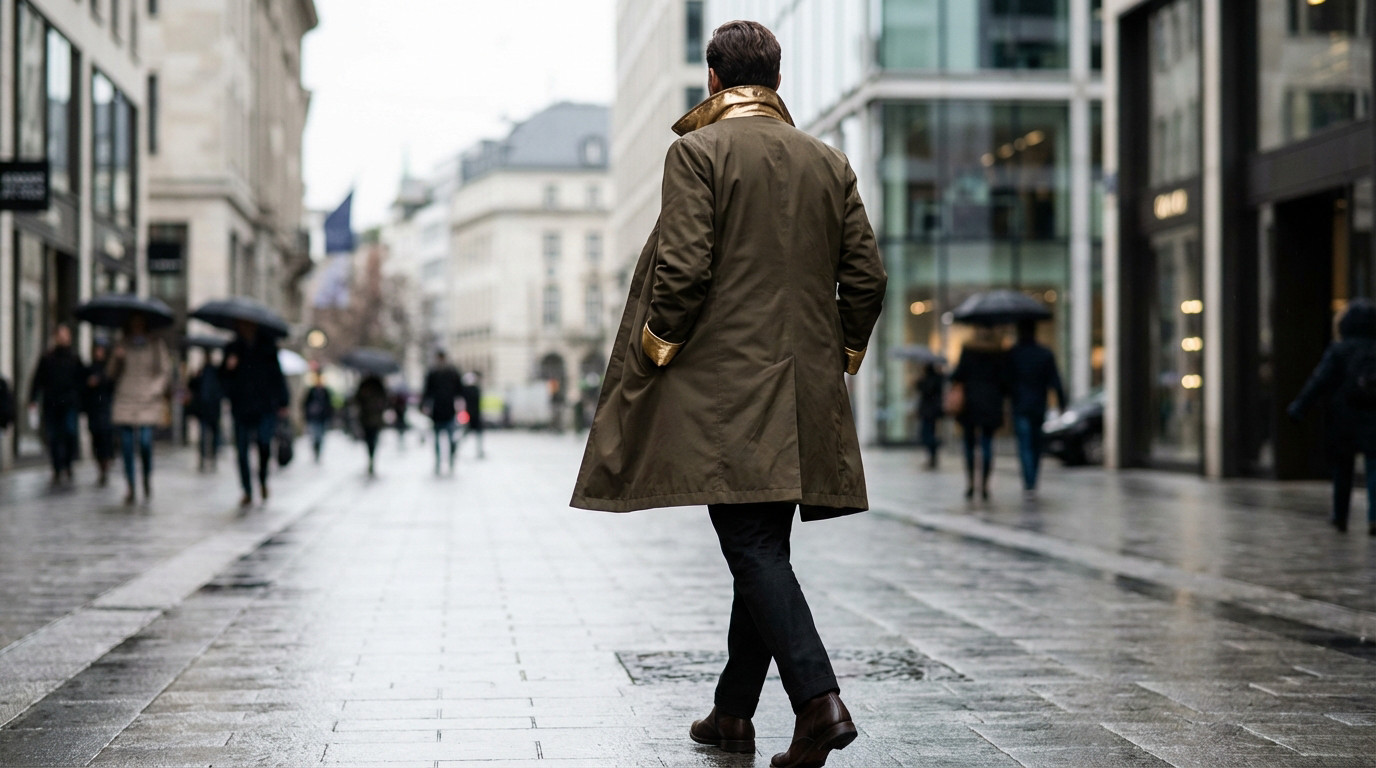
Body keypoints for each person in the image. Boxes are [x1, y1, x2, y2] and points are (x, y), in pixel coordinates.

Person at [570, 21, 885, 768]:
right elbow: (866, 279)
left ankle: (819, 702)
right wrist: (838, 354)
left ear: (713, 79)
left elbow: (683, 267)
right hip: (803, 392)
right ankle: (732, 713)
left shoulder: (696, 150)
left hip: (726, 391)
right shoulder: (828, 159)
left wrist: (657, 346)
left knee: (749, 546)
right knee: (762, 546)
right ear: (775, 78)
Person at [1289, 299, 1376, 535]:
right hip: (1372, 416)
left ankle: (1340, 516)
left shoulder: (1339, 349)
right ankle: (1374, 516)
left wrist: (1299, 407)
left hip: (1343, 418)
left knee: (1342, 469)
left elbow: (1319, 380)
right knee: (1374, 467)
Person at [221, 321, 288, 507]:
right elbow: (223, 378)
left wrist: (283, 401)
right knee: (241, 451)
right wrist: (228, 368)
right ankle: (247, 490)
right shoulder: (233, 348)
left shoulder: (267, 348)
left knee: (264, 445)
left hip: (265, 406)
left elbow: (277, 376)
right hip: (241, 406)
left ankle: (263, 479)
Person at [108, 314, 172, 504]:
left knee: (145, 442)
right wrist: (116, 358)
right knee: (127, 445)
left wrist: (156, 389)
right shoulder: (122, 344)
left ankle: (146, 476)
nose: (137, 326)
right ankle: (130, 485)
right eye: (133, 323)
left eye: (140, 323)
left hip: (147, 399)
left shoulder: (155, 344)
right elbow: (110, 374)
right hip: (125, 398)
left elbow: (165, 371)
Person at [951, 326, 1011, 501]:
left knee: (969, 445)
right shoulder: (999, 352)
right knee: (987, 445)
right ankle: (984, 485)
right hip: (991, 404)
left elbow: (957, 375)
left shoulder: (968, 349)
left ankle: (970, 483)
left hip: (969, 404)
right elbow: (1006, 381)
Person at [1007, 320, 1066, 495]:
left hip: (1021, 405)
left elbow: (1007, 381)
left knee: (1026, 444)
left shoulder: (1013, 354)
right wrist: (1062, 403)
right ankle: (1032, 480)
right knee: (1035, 443)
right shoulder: (1044, 354)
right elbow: (1055, 381)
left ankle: (1029, 481)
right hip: (1038, 405)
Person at [28, 324, 84, 486]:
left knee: (69, 432)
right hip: (51, 403)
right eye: (59, 335)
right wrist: (32, 399)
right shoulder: (47, 358)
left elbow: (81, 381)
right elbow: (37, 380)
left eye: (65, 334)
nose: (62, 338)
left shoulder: (74, 358)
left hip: (69, 403)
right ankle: (57, 467)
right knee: (53, 437)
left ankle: (67, 463)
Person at [420, 350, 463, 473]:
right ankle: (439, 462)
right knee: (438, 439)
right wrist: (424, 405)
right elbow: (427, 391)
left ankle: (450, 461)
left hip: (449, 411)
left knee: (450, 439)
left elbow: (459, 391)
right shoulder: (433, 373)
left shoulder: (452, 373)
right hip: (437, 412)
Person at [83, 342, 117, 486]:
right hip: (94, 409)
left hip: (107, 407)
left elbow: (113, 386)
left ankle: (106, 465)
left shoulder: (110, 369)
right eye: (97, 350)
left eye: (101, 350)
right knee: (96, 437)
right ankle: (100, 465)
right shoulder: (89, 369)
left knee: (106, 436)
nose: (99, 353)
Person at [187, 352, 225, 471]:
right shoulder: (201, 372)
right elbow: (192, 386)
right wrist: (194, 376)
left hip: (212, 408)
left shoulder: (217, 371)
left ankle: (212, 456)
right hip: (204, 409)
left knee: (212, 434)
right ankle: (205, 457)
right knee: (205, 435)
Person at [355, 374, 389, 476]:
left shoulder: (377, 384)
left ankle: (371, 457)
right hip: (366, 417)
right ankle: (371, 457)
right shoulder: (364, 384)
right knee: (369, 439)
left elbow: (384, 400)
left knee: (372, 439)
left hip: (374, 418)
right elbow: (357, 399)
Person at [915, 362, 945, 469]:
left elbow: (926, 389)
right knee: (928, 433)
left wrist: (921, 379)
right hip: (931, 412)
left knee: (926, 435)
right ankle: (932, 457)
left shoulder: (933, 379)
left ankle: (936, 445)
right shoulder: (936, 378)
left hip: (930, 412)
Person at [302, 371, 335, 463]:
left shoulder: (325, 391)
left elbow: (329, 405)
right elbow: (305, 404)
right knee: (314, 435)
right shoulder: (311, 391)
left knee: (321, 436)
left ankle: (318, 451)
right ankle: (315, 450)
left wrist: (329, 415)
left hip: (322, 418)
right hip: (313, 418)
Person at [461, 371, 486, 459]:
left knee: (467, 434)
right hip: (472, 415)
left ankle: (455, 448)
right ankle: (455, 448)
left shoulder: (466, 390)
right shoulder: (474, 390)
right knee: (470, 434)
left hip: (471, 415)